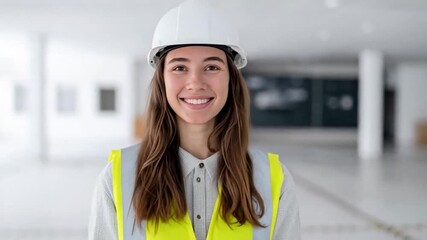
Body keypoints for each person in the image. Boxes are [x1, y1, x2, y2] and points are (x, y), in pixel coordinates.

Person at [88, 0, 300, 239]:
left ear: (231, 80)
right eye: (179, 68)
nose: (196, 82)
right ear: (162, 81)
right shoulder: (117, 179)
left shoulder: (273, 179)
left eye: (211, 67)